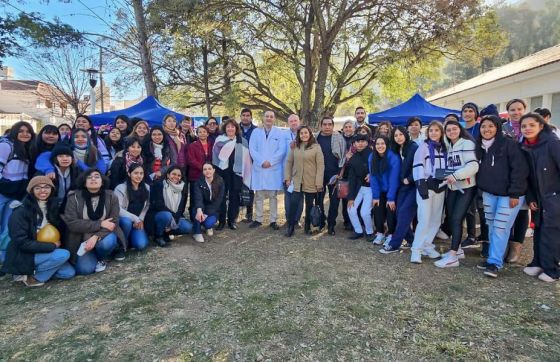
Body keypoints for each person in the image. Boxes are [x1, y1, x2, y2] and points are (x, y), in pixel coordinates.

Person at [474, 115, 528, 278]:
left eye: (491, 126)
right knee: (491, 226)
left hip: (509, 196)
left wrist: (515, 193)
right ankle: (493, 257)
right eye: (483, 126)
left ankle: (495, 263)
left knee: (500, 228)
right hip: (489, 193)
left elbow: (519, 170)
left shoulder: (509, 144)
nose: (487, 129)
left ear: (497, 127)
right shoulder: (480, 146)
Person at [1, 176, 75, 286]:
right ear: (31, 191)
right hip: (26, 253)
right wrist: (52, 246)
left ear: (51, 189)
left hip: (46, 250)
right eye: (38, 188)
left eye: (46, 187)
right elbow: (21, 242)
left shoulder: (53, 207)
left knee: (68, 273)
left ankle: (31, 271)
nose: (43, 191)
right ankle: (33, 278)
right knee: (63, 254)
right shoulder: (20, 211)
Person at [520, 113, 560, 282]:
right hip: (538, 197)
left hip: (554, 196)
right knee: (539, 229)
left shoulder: (552, 143)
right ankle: (538, 262)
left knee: (552, 232)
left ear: (541, 126)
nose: (527, 129)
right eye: (524, 126)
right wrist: (530, 197)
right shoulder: (526, 147)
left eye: (531, 125)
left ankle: (552, 269)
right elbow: (527, 177)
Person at [62, 168, 125, 275]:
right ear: (84, 182)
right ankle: (92, 255)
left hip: (103, 235)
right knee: (85, 270)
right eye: (89, 177)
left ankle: (102, 257)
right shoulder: (74, 197)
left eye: (97, 176)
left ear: (102, 181)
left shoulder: (111, 196)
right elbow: (72, 223)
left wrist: (96, 237)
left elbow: (113, 221)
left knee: (107, 243)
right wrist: (100, 223)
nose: (93, 179)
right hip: (81, 239)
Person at [435, 120, 479, 268]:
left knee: (456, 218)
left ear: (460, 129)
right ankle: (458, 249)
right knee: (453, 218)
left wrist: (456, 175)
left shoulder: (467, 144)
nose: (452, 132)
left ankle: (453, 257)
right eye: (448, 130)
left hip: (466, 187)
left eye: (454, 129)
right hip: (453, 188)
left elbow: (473, 165)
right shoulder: (448, 146)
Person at [410, 121, 447, 264]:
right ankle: (416, 250)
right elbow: (418, 166)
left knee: (436, 220)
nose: (433, 133)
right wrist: (421, 185)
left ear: (441, 132)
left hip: (440, 186)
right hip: (426, 186)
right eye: (431, 130)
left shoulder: (444, 147)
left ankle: (427, 245)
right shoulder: (423, 147)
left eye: (437, 130)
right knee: (424, 219)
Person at [380, 126, 419, 253]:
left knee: (404, 213)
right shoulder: (396, 149)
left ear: (405, 134)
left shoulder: (414, 147)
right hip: (402, 187)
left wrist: (410, 178)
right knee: (398, 213)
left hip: (414, 186)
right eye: (396, 136)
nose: (398, 138)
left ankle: (394, 244)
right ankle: (412, 240)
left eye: (400, 135)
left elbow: (421, 167)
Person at [248, 110, 286, 230]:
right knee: (259, 195)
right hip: (259, 168)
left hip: (273, 168)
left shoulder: (279, 133)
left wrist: (271, 162)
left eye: (271, 116)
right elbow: (252, 149)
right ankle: (258, 219)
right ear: (263, 118)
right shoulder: (256, 132)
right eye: (267, 116)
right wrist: (261, 161)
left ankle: (273, 220)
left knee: (273, 196)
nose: (269, 118)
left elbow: (282, 150)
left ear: (274, 119)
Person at [284, 125, 324, 237]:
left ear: (310, 134)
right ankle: (291, 227)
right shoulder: (295, 147)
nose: (304, 135)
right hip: (297, 181)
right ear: (299, 135)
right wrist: (287, 178)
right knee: (293, 204)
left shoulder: (316, 147)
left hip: (311, 181)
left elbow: (321, 166)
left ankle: (307, 227)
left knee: (309, 205)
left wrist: (319, 182)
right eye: (301, 133)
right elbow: (288, 162)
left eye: (306, 133)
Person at [212, 119, 252, 230]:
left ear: (236, 128)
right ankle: (221, 221)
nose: (230, 129)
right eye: (228, 127)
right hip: (222, 172)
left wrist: (246, 174)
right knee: (221, 197)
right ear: (225, 128)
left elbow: (247, 160)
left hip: (237, 173)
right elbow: (215, 157)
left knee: (234, 198)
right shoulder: (219, 140)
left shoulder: (242, 141)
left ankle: (231, 221)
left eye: (232, 127)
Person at [0, 121, 36, 235]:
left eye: (28, 131)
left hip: (16, 193)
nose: (25, 134)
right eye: (21, 131)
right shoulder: (6, 145)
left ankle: (3, 250)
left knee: (8, 225)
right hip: (3, 191)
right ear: (14, 132)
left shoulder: (27, 147)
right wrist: (5, 184)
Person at [505, 98, 529, 263]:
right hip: (507, 174)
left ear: (524, 109)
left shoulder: (530, 127)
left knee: (522, 210)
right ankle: (504, 244)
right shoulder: (503, 129)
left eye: (519, 109)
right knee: (507, 210)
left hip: (528, 174)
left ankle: (516, 246)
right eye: (512, 110)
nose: (516, 112)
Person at [316, 116, 346, 235]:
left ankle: (331, 224)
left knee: (334, 201)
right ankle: (321, 221)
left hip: (335, 174)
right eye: (325, 124)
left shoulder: (339, 138)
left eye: (329, 124)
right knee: (319, 199)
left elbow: (343, 157)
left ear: (333, 126)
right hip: (319, 174)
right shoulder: (315, 138)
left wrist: (340, 173)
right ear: (321, 126)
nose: (327, 127)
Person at [369, 135, 401, 246]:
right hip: (380, 190)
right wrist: (376, 196)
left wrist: (391, 198)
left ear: (387, 145)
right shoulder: (372, 157)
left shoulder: (393, 157)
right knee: (377, 208)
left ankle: (391, 234)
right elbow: (373, 178)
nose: (380, 146)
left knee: (390, 210)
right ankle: (380, 233)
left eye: (382, 143)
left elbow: (394, 179)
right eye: (377, 144)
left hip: (392, 190)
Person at [150, 166, 192, 247]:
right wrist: (172, 217)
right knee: (166, 215)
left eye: (179, 175)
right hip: (159, 216)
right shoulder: (159, 184)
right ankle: (158, 236)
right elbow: (158, 205)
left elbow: (180, 208)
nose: (176, 177)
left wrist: (175, 220)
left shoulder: (182, 188)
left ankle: (167, 232)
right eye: (173, 174)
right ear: (168, 175)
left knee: (188, 227)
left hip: (173, 217)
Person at [114, 163, 150, 252]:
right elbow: (117, 208)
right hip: (124, 221)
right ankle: (121, 246)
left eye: (141, 173)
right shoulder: (121, 188)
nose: (139, 176)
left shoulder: (147, 187)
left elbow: (147, 205)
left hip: (137, 222)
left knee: (141, 244)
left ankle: (130, 240)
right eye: (136, 173)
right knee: (126, 222)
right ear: (129, 174)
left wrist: (141, 219)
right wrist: (135, 218)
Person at [346, 134, 374, 240]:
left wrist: (372, 174)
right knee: (351, 209)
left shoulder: (373, 154)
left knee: (364, 212)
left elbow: (380, 169)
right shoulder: (353, 158)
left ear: (367, 143)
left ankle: (370, 232)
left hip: (371, 188)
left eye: (363, 141)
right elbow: (352, 178)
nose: (360, 143)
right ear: (354, 144)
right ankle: (358, 231)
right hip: (359, 188)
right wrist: (350, 198)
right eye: (357, 142)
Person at [191, 163, 225, 243]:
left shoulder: (220, 181)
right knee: (196, 211)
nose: (207, 171)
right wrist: (200, 210)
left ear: (213, 170)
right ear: (202, 172)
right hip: (201, 207)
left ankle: (207, 227)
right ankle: (197, 232)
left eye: (209, 169)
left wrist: (206, 214)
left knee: (208, 224)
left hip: (213, 209)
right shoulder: (199, 182)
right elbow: (198, 198)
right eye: (205, 169)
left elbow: (218, 201)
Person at [184, 126, 213, 212]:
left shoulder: (212, 144)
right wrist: (203, 168)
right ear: (197, 133)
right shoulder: (193, 145)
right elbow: (190, 160)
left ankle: (204, 215)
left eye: (204, 132)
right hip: (195, 176)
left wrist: (209, 170)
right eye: (200, 132)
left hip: (208, 176)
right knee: (194, 197)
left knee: (206, 197)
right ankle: (194, 218)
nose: (202, 133)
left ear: (208, 134)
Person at [44, 144, 80, 210]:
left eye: (68, 156)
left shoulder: (77, 171)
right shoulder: (47, 172)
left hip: (71, 205)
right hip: (51, 206)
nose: (65, 159)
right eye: (60, 156)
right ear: (55, 158)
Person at [283, 114, 304, 227]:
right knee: (288, 196)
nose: (294, 123)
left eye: (295, 120)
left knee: (299, 197)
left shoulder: (305, 133)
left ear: (299, 121)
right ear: (288, 123)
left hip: (301, 171)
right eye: (291, 121)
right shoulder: (283, 135)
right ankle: (289, 219)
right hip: (287, 170)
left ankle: (297, 220)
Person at [238, 109, 257, 223]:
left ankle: (249, 213)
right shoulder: (235, 128)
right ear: (240, 116)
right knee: (236, 189)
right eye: (243, 115)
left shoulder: (256, 130)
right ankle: (235, 213)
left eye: (248, 115)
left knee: (249, 189)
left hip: (251, 164)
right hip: (237, 163)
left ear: (251, 117)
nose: (245, 117)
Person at [339, 120, 355, 230]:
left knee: (354, 197)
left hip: (355, 173)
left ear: (353, 128)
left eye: (350, 127)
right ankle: (347, 221)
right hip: (343, 172)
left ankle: (355, 220)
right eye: (346, 127)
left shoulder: (357, 139)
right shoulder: (340, 139)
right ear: (343, 129)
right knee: (345, 199)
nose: (348, 129)